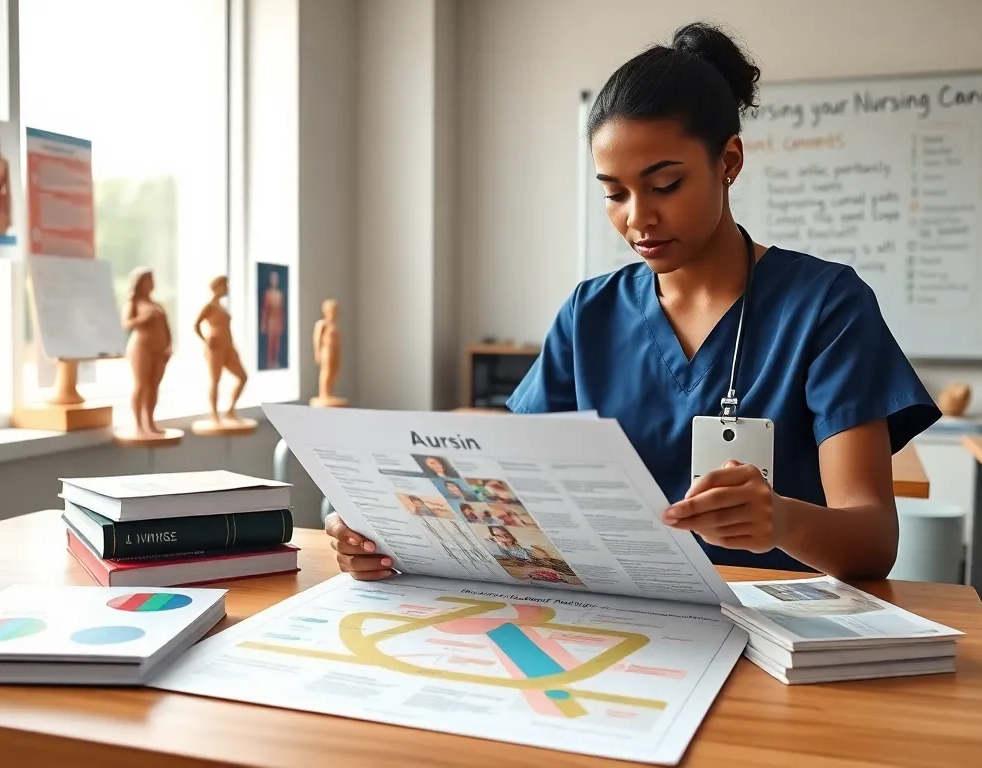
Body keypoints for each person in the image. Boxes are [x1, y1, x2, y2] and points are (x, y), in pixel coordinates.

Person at [325, 21, 940, 583]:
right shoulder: (589, 314)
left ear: (728, 162)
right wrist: (392, 534)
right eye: (614, 194)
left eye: (665, 185)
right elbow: (513, 501)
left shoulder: (827, 307)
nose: (638, 219)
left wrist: (781, 521)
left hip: (772, 630)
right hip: (621, 622)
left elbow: (872, 542)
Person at [123, 268, 173, 437]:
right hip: (141, 347)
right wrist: (144, 318)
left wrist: (168, 346)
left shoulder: (157, 305)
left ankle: (150, 421)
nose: (151, 283)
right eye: (148, 280)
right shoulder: (134, 303)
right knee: (141, 385)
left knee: (154, 386)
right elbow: (126, 324)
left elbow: (166, 327)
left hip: (159, 349)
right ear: (139, 283)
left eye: (152, 280)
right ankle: (138, 424)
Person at [194, 275, 248, 424]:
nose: (227, 288)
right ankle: (214, 413)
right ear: (217, 287)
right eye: (225, 285)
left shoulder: (221, 306)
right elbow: (196, 325)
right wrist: (206, 340)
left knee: (243, 377)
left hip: (228, 346)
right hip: (215, 347)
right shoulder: (210, 306)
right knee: (215, 380)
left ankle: (230, 410)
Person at [260, 270, 284, 368]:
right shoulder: (268, 294)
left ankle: (276, 360)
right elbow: (265, 310)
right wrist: (263, 324)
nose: (275, 281)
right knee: (270, 343)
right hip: (270, 321)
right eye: (273, 279)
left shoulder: (280, 294)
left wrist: (282, 323)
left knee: (277, 343)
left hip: (278, 321)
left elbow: (281, 311)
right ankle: (269, 361)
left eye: (276, 279)